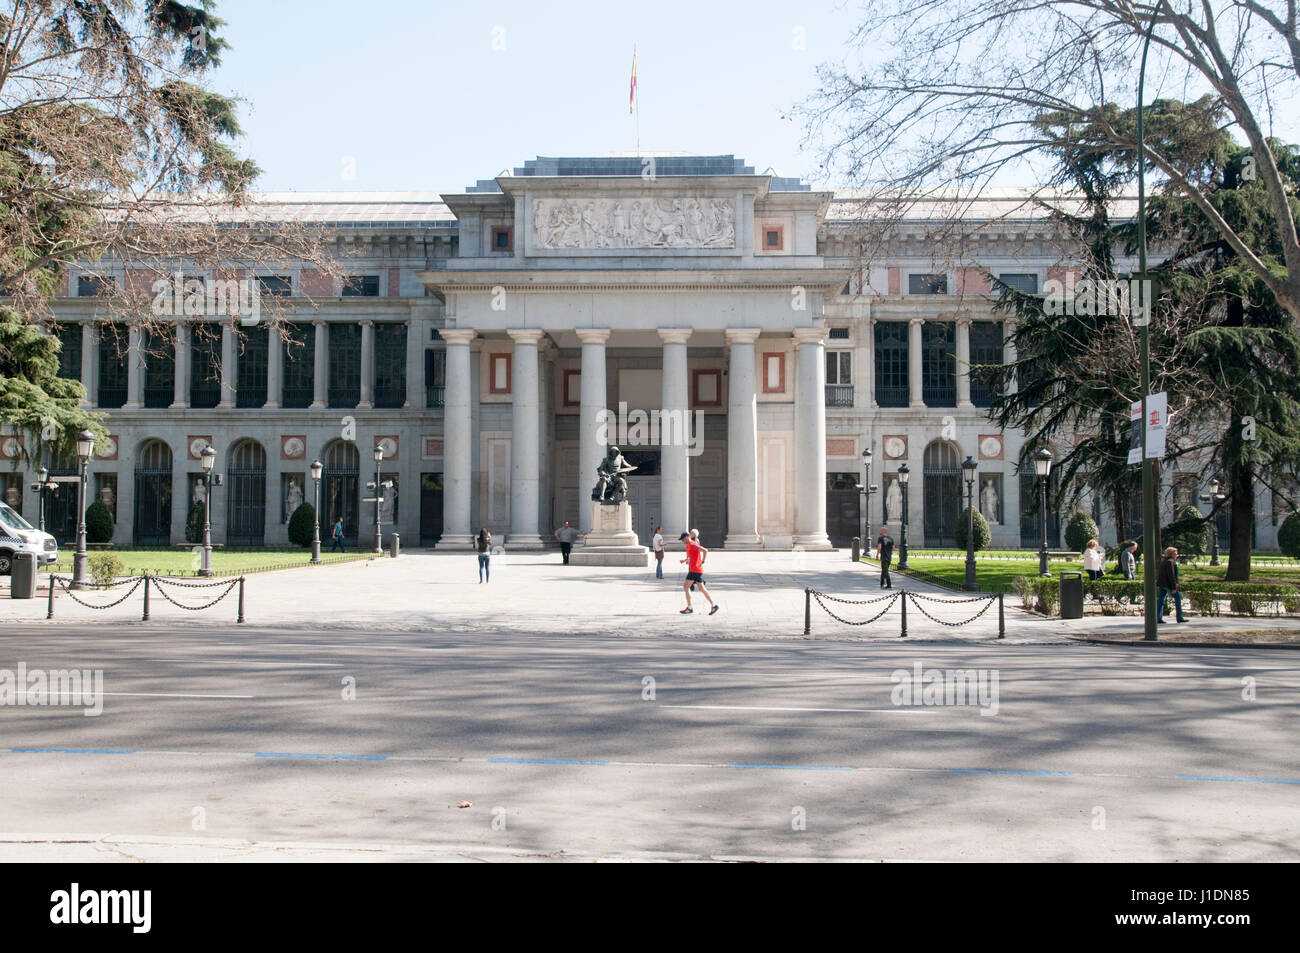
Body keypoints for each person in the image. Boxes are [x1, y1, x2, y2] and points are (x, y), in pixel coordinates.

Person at [679, 531, 718, 615]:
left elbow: (705, 550)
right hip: (695, 570)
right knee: (702, 589)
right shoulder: (688, 546)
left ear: (686, 537)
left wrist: (703, 561)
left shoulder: (693, 544)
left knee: (686, 586)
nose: (682, 541)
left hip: (695, 570)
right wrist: (684, 560)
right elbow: (690, 556)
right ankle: (713, 605)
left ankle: (689, 607)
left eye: (682, 539)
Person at [1156, 546, 1187, 623]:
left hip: (1162, 584)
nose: (1177, 555)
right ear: (1171, 554)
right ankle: (1179, 617)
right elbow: (1171, 575)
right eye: (1175, 554)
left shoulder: (1164, 561)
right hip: (1168, 585)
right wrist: (1174, 587)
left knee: (1160, 600)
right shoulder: (1171, 562)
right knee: (1178, 598)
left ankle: (1158, 618)